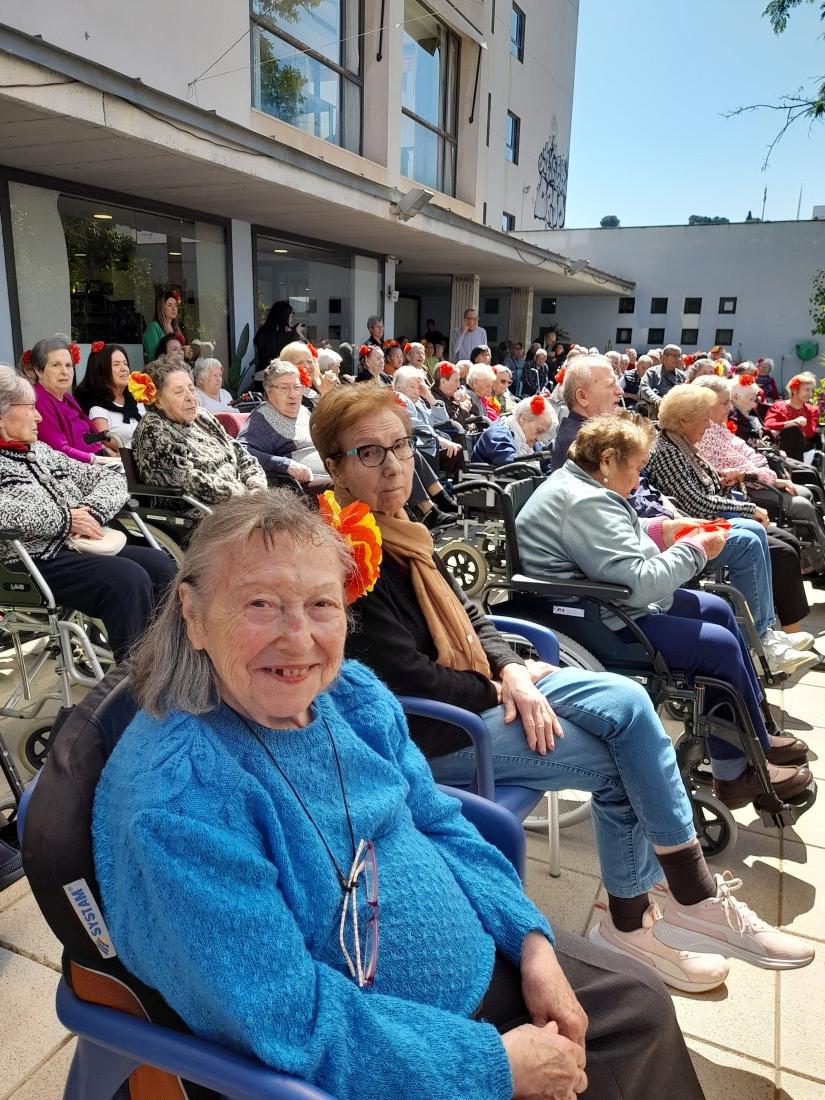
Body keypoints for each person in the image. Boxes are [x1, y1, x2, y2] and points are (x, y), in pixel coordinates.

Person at [93, 489, 711, 1100]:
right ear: (194, 614)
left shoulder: (350, 695)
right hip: (396, 1054)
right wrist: (492, 1065)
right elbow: (286, 1017)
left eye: (321, 604)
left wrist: (530, 941)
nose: (299, 638)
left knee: (639, 1003)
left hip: (482, 970)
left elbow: (439, 823)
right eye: (261, 604)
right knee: (630, 1039)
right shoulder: (180, 801)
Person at [309, 384, 813, 993]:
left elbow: (473, 616)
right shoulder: (345, 554)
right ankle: (642, 919)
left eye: (401, 445)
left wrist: (512, 668)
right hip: (433, 732)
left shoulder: (400, 528)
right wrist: (500, 688)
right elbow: (402, 678)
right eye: (369, 452)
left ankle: (680, 900)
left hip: (480, 687)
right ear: (334, 465)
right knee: (619, 760)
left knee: (628, 700)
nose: (394, 465)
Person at [516, 410, 813, 808]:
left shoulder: (579, 484)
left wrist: (664, 529)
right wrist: (694, 550)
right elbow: (638, 583)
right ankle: (736, 773)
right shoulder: (584, 501)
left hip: (604, 604)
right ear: (607, 459)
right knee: (717, 646)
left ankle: (757, 735)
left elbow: (618, 534)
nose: (638, 478)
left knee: (718, 611)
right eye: (637, 467)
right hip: (598, 620)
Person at [0, 364, 174, 662]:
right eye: (30, 408)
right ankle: (136, 680)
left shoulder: (39, 451)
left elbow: (109, 479)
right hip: (30, 559)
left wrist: (91, 512)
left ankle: (172, 661)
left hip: (80, 544)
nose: (38, 416)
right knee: (127, 580)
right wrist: (66, 519)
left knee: (159, 564)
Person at [647, 385, 816, 669]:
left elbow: (707, 490)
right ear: (684, 421)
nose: (708, 424)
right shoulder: (668, 451)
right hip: (689, 529)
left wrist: (730, 481)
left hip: (703, 517)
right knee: (749, 542)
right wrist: (749, 508)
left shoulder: (683, 443)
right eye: (703, 418)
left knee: (757, 532)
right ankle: (757, 642)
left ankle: (765, 632)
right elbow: (697, 504)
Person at [694, 375, 825, 560]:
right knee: (803, 503)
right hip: (744, 489)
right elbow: (741, 468)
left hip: (758, 480)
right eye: (724, 403)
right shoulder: (706, 433)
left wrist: (769, 474)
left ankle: (809, 559)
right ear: (706, 404)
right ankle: (817, 560)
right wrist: (773, 478)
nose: (730, 408)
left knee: (807, 492)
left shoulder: (718, 427)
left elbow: (749, 454)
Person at [132, 356, 267, 517]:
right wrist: (242, 495)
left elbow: (240, 454)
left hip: (240, 504)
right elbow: (185, 480)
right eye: (179, 392)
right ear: (158, 401)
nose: (190, 397)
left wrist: (257, 487)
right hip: (202, 514)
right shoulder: (153, 427)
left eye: (191, 389)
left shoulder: (201, 416)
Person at [238, 361, 330, 488]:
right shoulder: (263, 417)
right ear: (268, 390)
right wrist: (285, 464)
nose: (292, 394)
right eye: (284, 388)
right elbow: (241, 450)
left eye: (296, 387)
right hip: (298, 485)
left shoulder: (303, 411)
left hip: (330, 470)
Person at [31, 337, 119, 464]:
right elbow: (58, 451)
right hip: (80, 467)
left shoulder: (66, 397)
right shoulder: (38, 400)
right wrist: (104, 460)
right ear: (39, 370)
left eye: (68, 365)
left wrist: (107, 451)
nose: (65, 372)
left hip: (99, 458)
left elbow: (89, 435)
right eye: (56, 365)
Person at [549, 355, 623, 473]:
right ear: (582, 396)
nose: (620, 391)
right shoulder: (582, 446)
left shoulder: (590, 434)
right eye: (610, 384)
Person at [392, 366, 463, 479]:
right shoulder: (399, 398)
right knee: (457, 452)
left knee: (459, 444)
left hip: (429, 446)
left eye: (418, 387)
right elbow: (413, 424)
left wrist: (429, 396)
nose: (415, 391)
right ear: (398, 387)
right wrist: (441, 440)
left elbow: (442, 422)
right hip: (416, 450)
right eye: (411, 386)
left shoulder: (419, 402)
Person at [74, 342, 144, 449]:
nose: (124, 368)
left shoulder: (136, 399)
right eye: (116, 364)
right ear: (101, 371)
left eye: (125, 363)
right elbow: (107, 441)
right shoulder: (97, 407)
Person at [472, 395, 557, 469]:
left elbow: (547, 467)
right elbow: (516, 468)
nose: (539, 438)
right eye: (539, 431)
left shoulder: (531, 441)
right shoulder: (498, 435)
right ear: (523, 419)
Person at [764, 372, 820, 462]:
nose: (810, 394)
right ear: (794, 390)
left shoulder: (812, 410)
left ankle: (792, 466)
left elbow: (810, 432)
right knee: (792, 428)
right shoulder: (778, 406)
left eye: (811, 390)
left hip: (802, 448)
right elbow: (768, 424)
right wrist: (793, 422)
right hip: (780, 447)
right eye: (807, 390)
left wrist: (780, 430)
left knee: (793, 430)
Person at [253, 301, 302, 374]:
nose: (292, 319)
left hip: (262, 372)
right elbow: (294, 353)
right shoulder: (282, 334)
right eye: (291, 316)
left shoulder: (264, 330)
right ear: (284, 316)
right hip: (277, 374)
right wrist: (296, 333)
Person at [143, 290, 185, 363]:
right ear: (162, 308)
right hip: (161, 369)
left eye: (175, 305)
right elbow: (155, 358)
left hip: (177, 367)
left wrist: (185, 352)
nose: (174, 308)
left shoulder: (175, 328)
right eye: (169, 305)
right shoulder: (153, 328)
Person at [639, 344, 686, 410]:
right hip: (657, 409)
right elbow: (644, 387)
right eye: (675, 356)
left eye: (679, 356)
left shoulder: (682, 376)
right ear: (665, 357)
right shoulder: (652, 372)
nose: (678, 359)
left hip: (677, 410)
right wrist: (656, 398)